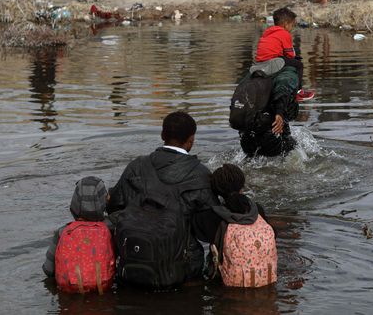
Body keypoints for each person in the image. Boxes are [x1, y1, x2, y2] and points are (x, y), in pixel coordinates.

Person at [107, 111, 220, 283]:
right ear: (191, 141)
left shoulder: (136, 166)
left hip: (133, 260)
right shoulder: (202, 175)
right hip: (180, 269)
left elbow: (114, 207)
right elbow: (211, 231)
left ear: (162, 135)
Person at [43, 176, 116, 294]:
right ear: (103, 201)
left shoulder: (63, 231)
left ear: (75, 201)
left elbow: (48, 270)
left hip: (70, 293)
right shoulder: (111, 229)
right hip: (103, 292)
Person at [208, 164, 277, 288]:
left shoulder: (215, 215)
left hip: (232, 283)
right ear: (242, 185)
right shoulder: (257, 210)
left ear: (216, 190)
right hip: (267, 277)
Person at [255, 7, 313, 101]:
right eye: (292, 25)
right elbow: (290, 54)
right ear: (286, 25)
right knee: (299, 65)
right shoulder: (284, 34)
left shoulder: (268, 32)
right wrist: (294, 58)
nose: (292, 28)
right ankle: (298, 91)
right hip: (272, 60)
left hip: (260, 61)